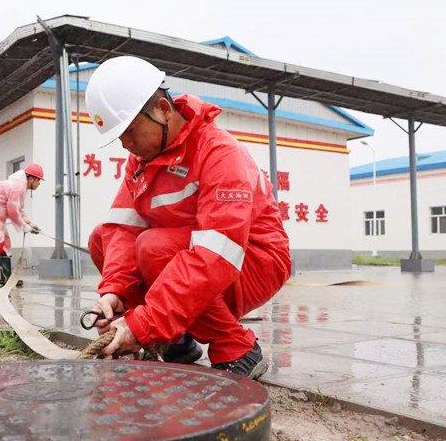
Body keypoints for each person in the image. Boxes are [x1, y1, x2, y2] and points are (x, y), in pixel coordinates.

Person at [84, 56, 291, 379]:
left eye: (130, 132)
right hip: (191, 253)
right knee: (101, 238)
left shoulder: (219, 154)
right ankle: (175, 339)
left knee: (154, 247)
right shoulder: (141, 161)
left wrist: (142, 323)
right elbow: (122, 231)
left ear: (164, 110)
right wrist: (114, 291)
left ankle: (238, 347)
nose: (126, 145)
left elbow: (215, 255)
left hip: (252, 260)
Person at [0, 163, 43, 287]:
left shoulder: (20, 187)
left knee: (5, 244)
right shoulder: (17, 187)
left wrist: (30, 223)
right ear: (31, 179)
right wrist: (25, 226)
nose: (39, 184)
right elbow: (13, 210)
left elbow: (19, 210)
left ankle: (6, 278)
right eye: (38, 180)